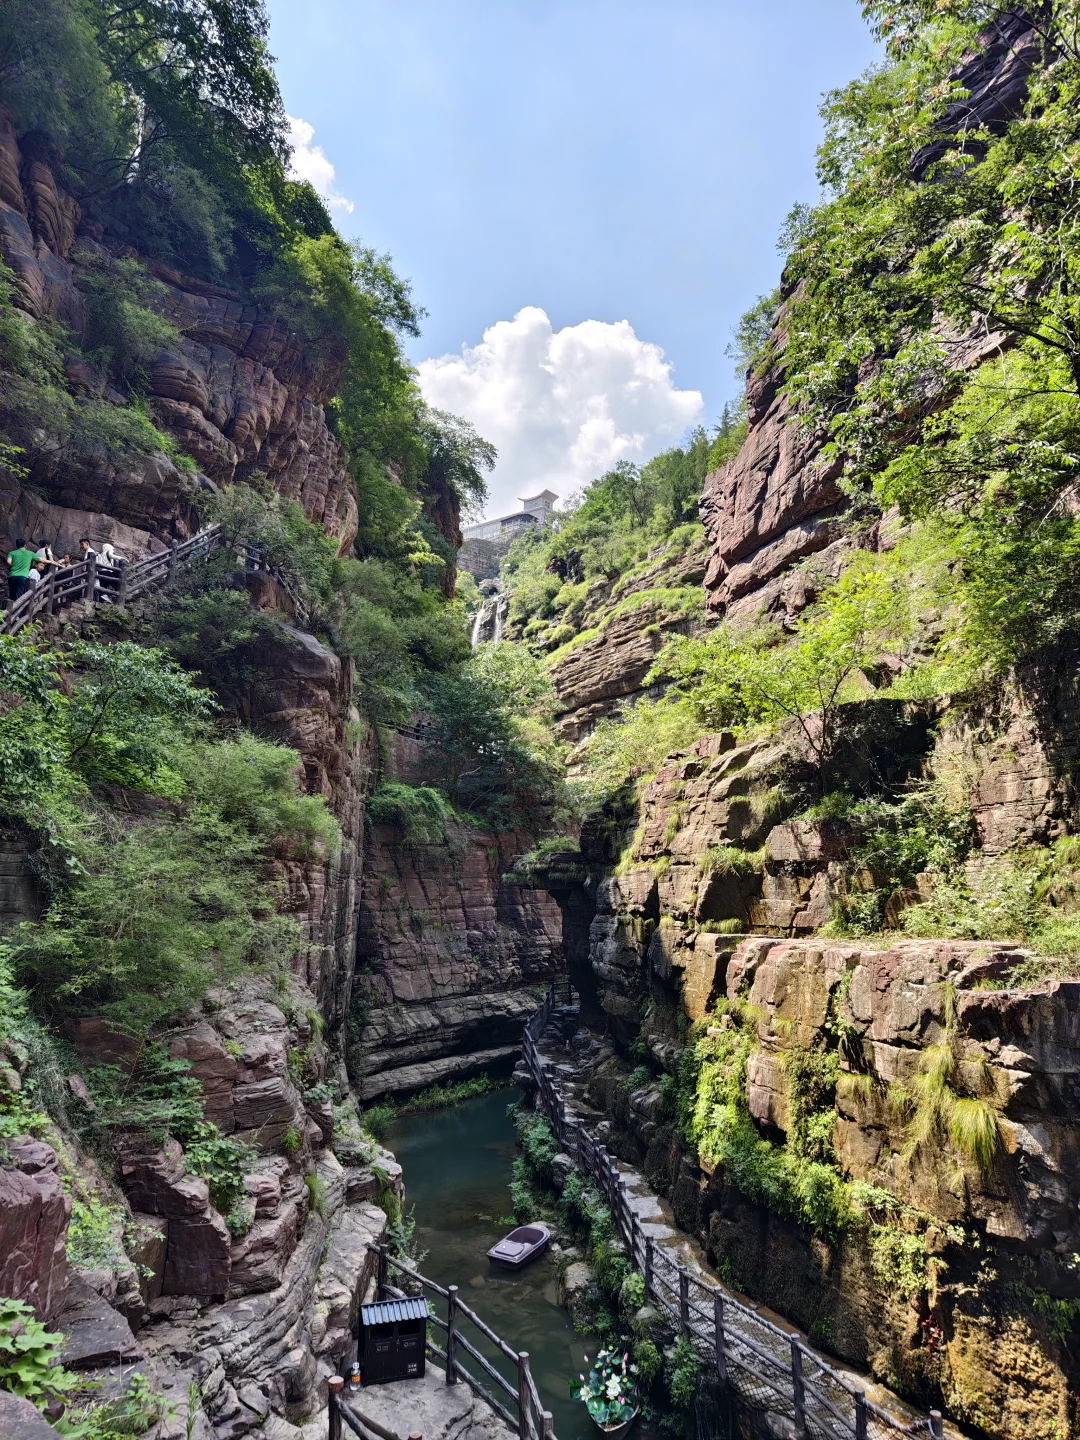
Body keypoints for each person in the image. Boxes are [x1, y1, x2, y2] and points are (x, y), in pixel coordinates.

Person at [5, 536, 38, 603]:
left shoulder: (12, 553)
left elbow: (8, 561)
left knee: (12, 594)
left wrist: (13, 565)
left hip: (12, 576)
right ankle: (16, 611)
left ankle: (10, 610)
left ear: (17, 546)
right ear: (25, 545)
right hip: (22, 577)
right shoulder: (30, 553)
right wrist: (52, 562)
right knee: (19, 595)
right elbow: (41, 560)